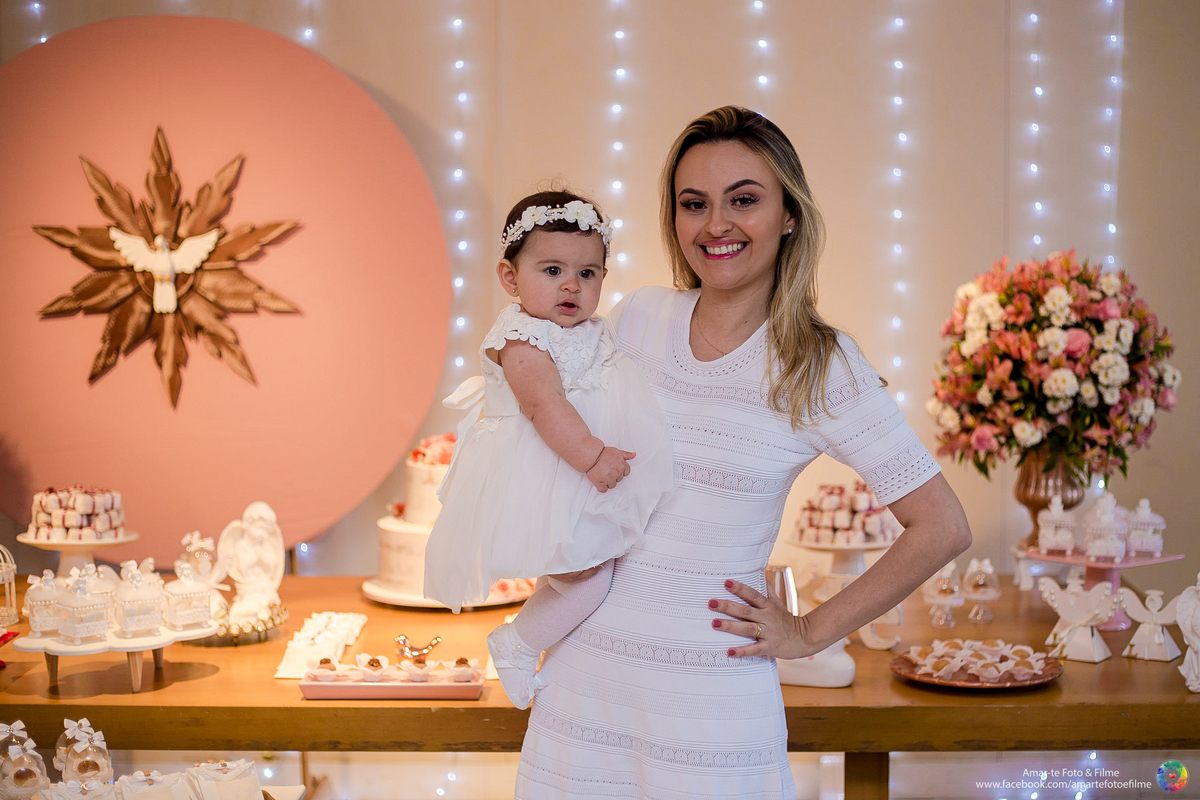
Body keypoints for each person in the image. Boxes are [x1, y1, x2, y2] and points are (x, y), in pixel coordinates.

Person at [514, 107, 972, 798]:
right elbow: (544, 415)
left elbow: (942, 526)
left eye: (745, 201)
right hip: (584, 691)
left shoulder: (819, 364)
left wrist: (810, 631)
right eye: (694, 204)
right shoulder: (635, 317)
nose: (716, 225)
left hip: (713, 710)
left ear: (789, 214)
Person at [423, 190, 675, 709]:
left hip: (575, 474)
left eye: (588, 273)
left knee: (590, 570)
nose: (571, 285)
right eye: (553, 269)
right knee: (588, 576)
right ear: (511, 278)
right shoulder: (521, 336)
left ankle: (537, 641)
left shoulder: (589, 330)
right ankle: (516, 642)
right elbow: (542, 404)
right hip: (547, 471)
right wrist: (593, 455)